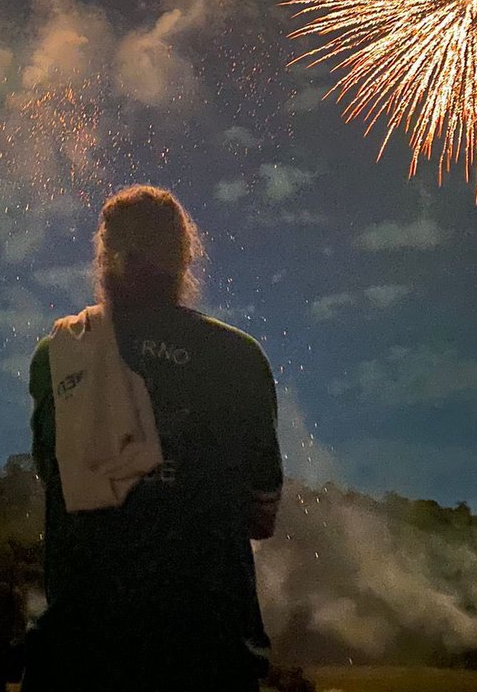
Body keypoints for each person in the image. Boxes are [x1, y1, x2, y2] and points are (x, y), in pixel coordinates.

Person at [22, 185, 282, 692]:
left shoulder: (58, 356)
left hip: (79, 659)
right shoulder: (238, 359)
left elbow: (61, 487)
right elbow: (262, 516)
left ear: (104, 255)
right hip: (207, 657)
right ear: (185, 258)